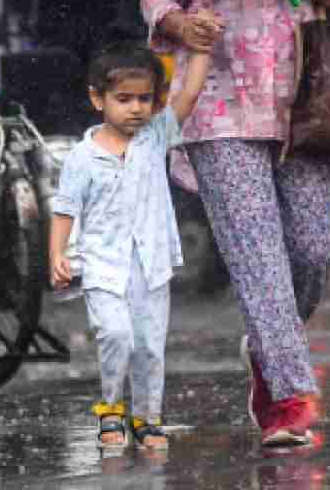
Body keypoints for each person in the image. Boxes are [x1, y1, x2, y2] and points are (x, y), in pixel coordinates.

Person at [141, 0, 330, 446]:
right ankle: (288, 401)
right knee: (257, 254)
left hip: (310, 104)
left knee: (311, 252)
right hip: (221, 106)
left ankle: (268, 345)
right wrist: (182, 24)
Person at [48, 41, 216, 450]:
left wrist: (201, 49)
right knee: (115, 335)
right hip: (102, 264)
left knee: (149, 346)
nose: (135, 108)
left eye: (144, 99)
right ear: (98, 99)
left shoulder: (155, 138)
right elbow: (65, 209)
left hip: (151, 263)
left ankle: (147, 419)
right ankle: (110, 408)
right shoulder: (81, 157)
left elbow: (189, 94)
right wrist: (57, 254)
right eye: (123, 99)